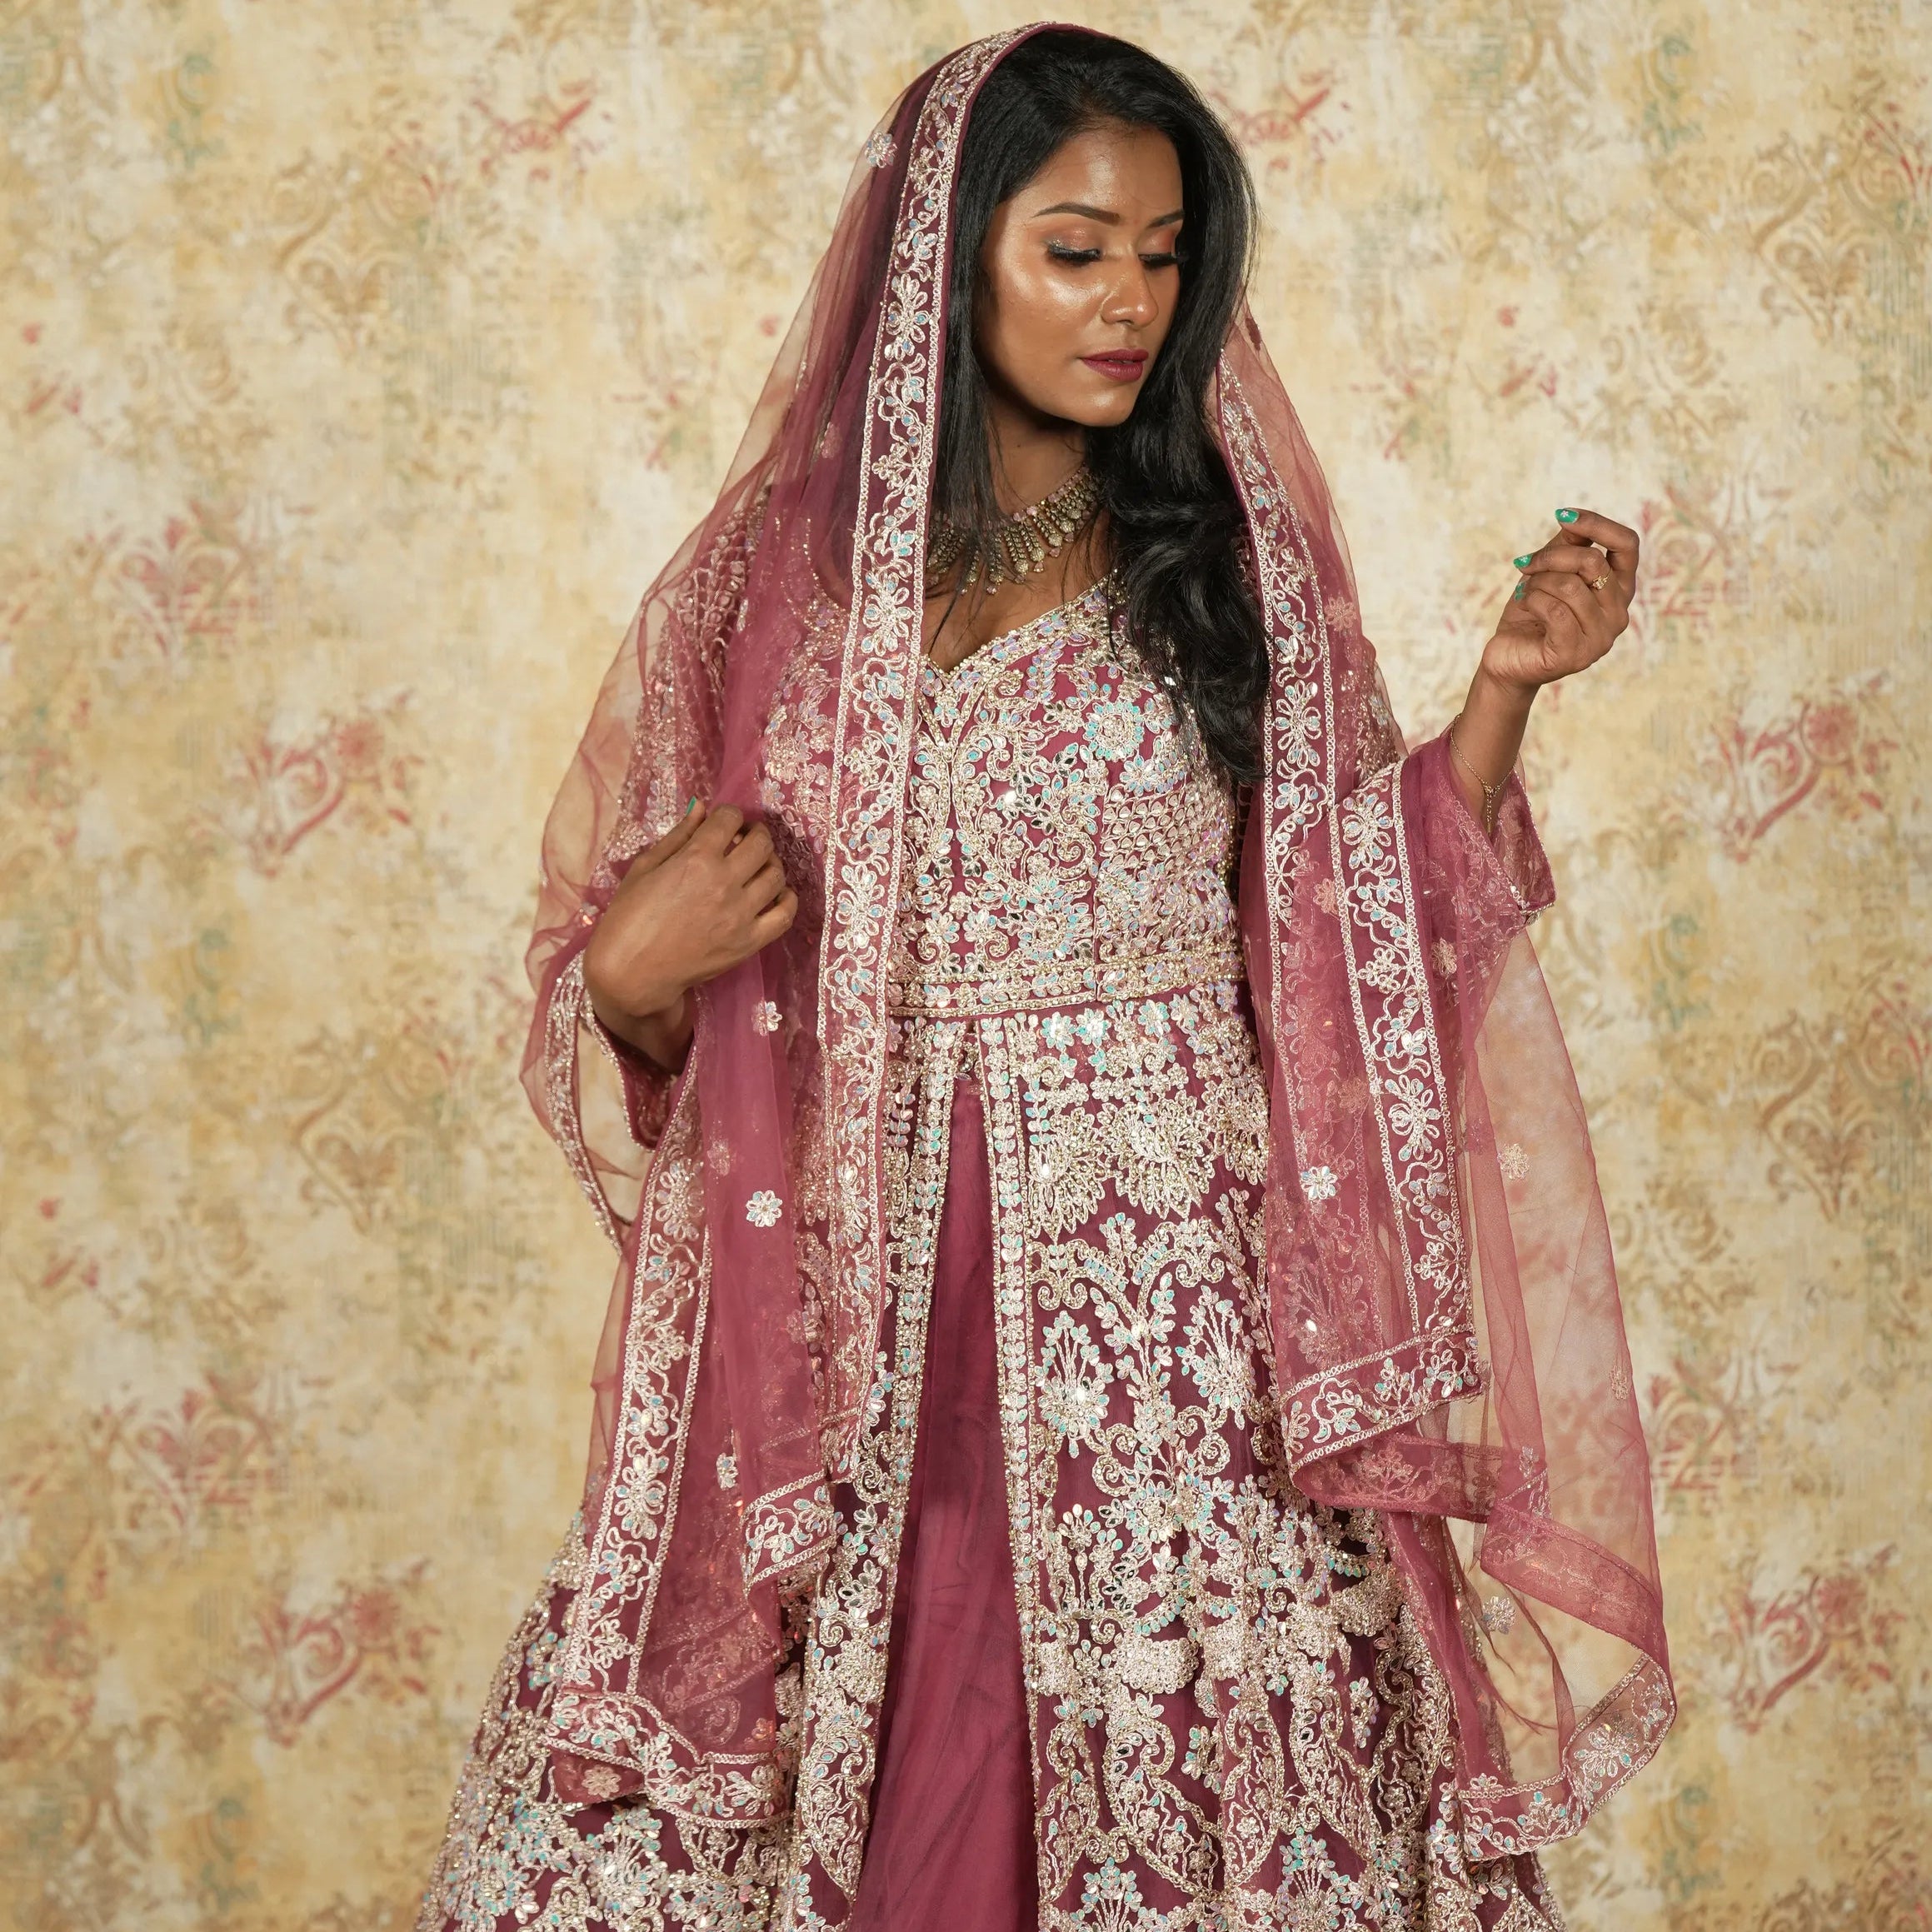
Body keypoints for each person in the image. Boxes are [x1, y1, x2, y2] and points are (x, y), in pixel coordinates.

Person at [417, 27, 1672, 1932]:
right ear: (948, 246)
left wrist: (1496, 692)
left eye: (1164, 254)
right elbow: (679, 1006)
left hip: (1171, 1314)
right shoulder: (774, 582)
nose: (1131, 303)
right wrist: (623, 974)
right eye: (1074, 248)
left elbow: (1345, 919)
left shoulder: (1215, 558)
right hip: (871, 1287)